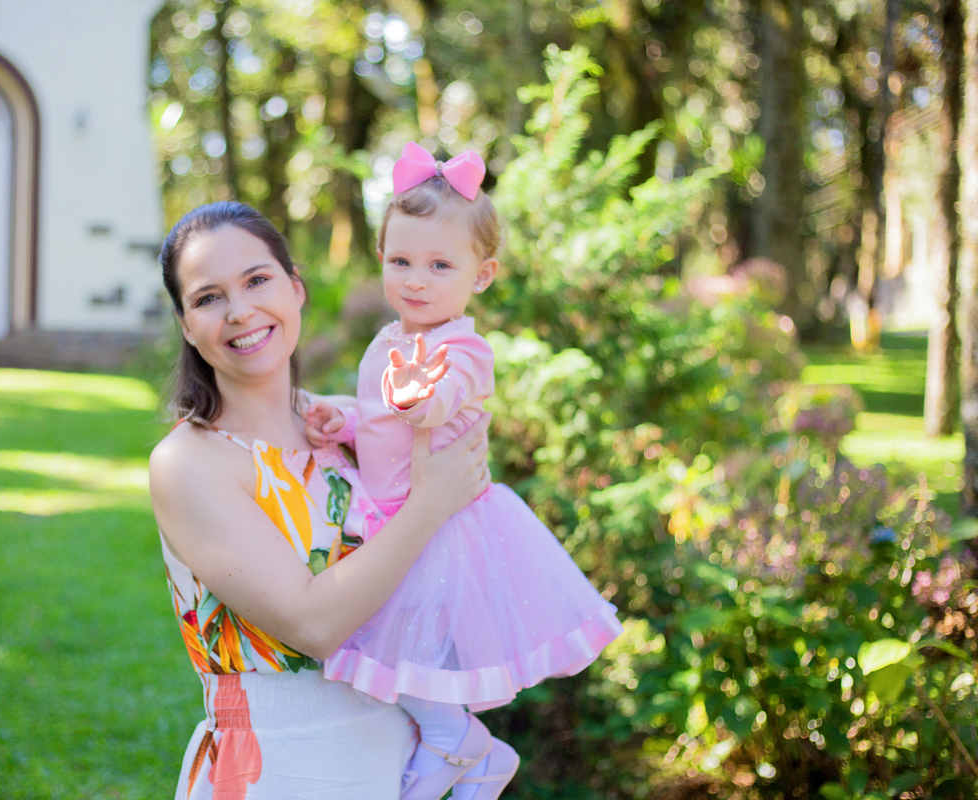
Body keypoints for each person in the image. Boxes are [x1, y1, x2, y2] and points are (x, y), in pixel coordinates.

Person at [304, 142, 624, 800]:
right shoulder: (391, 340)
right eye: (400, 261)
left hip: (440, 528)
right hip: (396, 517)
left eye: (439, 265)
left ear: (482, 275)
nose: (415, 280)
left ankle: (455, 740)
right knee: (381, 646)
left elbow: (438, 403)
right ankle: (468, 752)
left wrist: (421, 395)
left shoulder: (463, 348)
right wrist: (349, 422)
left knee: (402, 650)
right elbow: (386, 421)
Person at [148, 201, 493, 800]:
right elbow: (313, 624)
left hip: (403, 757)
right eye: (207, 298)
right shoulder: (189, 462)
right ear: (185, 324)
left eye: (257, 280)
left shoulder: (348, 425)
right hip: (281, 766)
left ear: (296, 289)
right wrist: (430, 504)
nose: (240, 311)